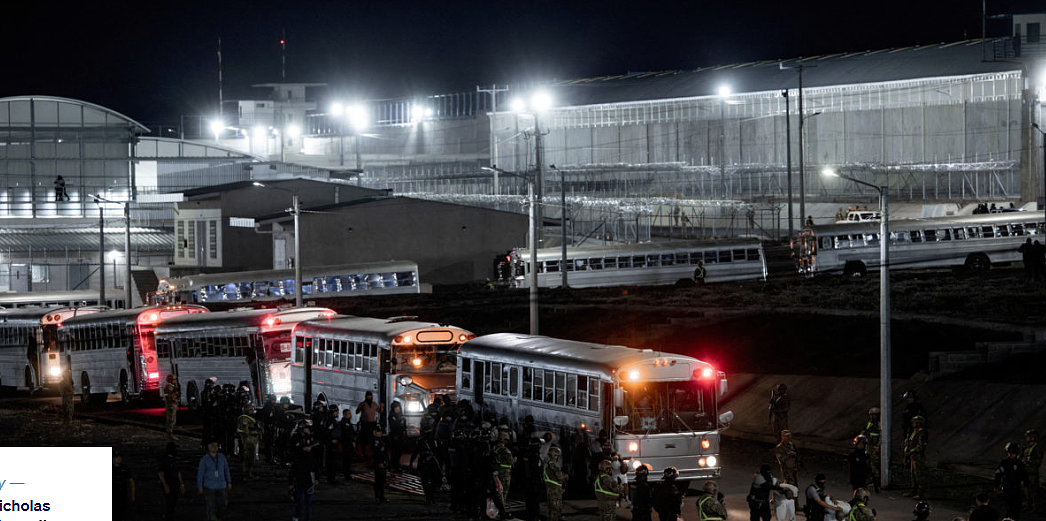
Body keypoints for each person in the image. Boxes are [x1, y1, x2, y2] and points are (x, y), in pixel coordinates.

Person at [196, 439, 232, 521]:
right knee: (210, 505)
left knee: (223, 503)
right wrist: (200, 486)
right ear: (208, 447)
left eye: (216, 446)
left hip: (221, 485)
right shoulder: (204, 460)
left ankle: (217, 516)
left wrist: (229, 481)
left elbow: (226, 469)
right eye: (212, 445)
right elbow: (200, 474)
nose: (214, 448)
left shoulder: (222, 457)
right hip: (209, 486)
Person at [996, 442, 1029, 520]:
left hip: (1010, 490)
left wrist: (996, 486)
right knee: (1013, 512)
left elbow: (998, 474)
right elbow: (1025, 482)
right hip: (1014, 491)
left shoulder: (1005, 463)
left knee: (1009, 512)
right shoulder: (1019, 464)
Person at [289, 440, 318, 521]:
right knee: (302, 502)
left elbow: (316, 468)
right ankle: (298, 515)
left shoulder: (311, 457)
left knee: (305, 503)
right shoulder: (300, 458)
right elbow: (293, 470)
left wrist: (317, 478)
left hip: (307, 482)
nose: (308, 448)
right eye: (307, 447)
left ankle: (300, 517)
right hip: (302, 482)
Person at [411, 434, 443, 504]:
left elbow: (439, 452)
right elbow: (416, 451)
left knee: (430, 481)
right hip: (425, 463)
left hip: (431, 463)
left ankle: (429, 497)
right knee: (428, 481)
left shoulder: (432, 440)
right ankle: (429, 497)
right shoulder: (423, 440)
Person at [158, 442, 184, 521]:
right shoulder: (164, 460)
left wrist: (182, 484)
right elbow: (161, 473)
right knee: (169, 504)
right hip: (169, 484)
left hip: (175, 484)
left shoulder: (174, 460)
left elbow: (178, 472)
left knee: (173, 503)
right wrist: (165, 486)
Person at [541, 445, 568, 521]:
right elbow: (560, 476)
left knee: (552, 509)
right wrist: (565, 476)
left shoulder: (548, 464)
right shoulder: (552, 465)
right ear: (555, 456)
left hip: (551, 489)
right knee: (555, 510)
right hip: (554, 490)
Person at [904, 415, 928, 498]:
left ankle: (920, 492)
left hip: (918, 456)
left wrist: (911, 451)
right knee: (913, 474)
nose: (913, 424)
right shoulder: (914, 431)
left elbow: (920, 446)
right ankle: (913, 490)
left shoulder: (922, 433)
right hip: (913, 456)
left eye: (914, 422)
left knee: (919, 474)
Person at [236, 403, 261, 480]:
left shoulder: (250, 418)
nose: (253, 411)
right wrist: (256, 432)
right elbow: (245, 431)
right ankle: (247, 473)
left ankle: (249, 472)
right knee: (248, 457)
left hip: (252, 440)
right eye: (251, 409)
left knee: (251, 456)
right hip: (248, 440)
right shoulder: (244, 419)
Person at [493, 430, 517, 504]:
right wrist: (515, 458)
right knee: (503, 493)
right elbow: (510, 461)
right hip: (504, 473)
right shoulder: (505, 450)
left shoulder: (494, 448)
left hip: (496, 472)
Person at [356, 391, 380, 460]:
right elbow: (357, 412)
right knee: (364, 438)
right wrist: (360, 408)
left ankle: (373, 452)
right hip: (365, 423)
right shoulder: (363, 404)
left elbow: (379, 411)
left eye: (370, 396)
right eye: (368, 396)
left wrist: (382, 407)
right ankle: (363, 453)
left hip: (373, 423)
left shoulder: (374, 404)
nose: (369, 397)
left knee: (373, 439)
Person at [862, 407, 882, 492]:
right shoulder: (870, 423)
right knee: (869, 464)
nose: (872, 416)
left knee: (875, 465)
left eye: (874, 415)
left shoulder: (879, 424)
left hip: (874, 446)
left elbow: (881, 435)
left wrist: (878, 446)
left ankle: (877, 482)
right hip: (869, 445)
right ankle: (872, 480)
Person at [1022, 429, 1042, 512]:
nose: (1027, 438)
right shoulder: (1027, 447)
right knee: (1026, 489)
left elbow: (1038, 460)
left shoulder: (1036, 448)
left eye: (1028, 437)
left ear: (1033, 438)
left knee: (1033, 490)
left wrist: (1028, 462)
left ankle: (1035, 507)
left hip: (1032, 472)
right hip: (1026, 471)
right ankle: (1028, 505)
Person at [113, 449, 135, 521]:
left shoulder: (124, 468)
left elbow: (131, 481)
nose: (119, 458)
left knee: (122, 514)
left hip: (122, 496)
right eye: (116, 457)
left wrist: (133, 495)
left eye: (120, 457)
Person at [387, 401, 406, 471]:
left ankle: (396, 465)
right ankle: (393, 466)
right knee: (395, 451)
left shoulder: (400, 416)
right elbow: (393, 425)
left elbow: (404, 426)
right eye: (396, 408)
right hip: (394, 436)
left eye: (398, 408)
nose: (397, 409)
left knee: (399, 451)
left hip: (400, 435)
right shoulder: (392, 416)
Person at [372, 427, 389, 503]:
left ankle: (381, 496)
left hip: (383, 462)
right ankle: (377, 497)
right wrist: (380, 462)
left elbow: (385, 452)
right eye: (378, 432)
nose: (380, 433)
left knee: (382, 480)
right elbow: (376, 453)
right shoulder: (375, 441)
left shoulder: (381, 440)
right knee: (378, 480)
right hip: (379, 463)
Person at [162, 374, 180, 439]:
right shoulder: (170, 387)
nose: (174, 381)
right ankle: (170, 434)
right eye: (173, 379)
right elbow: (171, 397)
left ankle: (169, 434)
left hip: (171, 405)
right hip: (171, 405)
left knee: (171, 419)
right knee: (171, 419)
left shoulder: (170, 387)